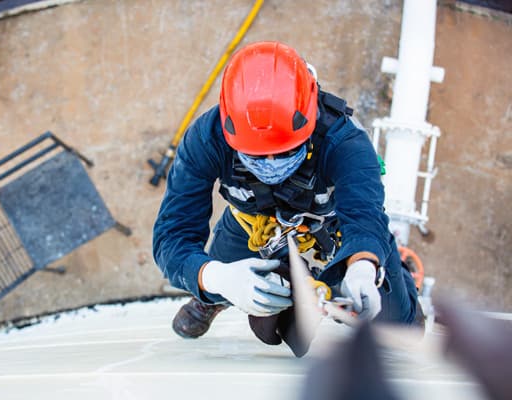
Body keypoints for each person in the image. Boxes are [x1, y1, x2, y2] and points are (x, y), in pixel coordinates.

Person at [153, 41, 418, 352]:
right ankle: (212, 297)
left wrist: (363, 263)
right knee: (211, 276)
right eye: (255, 155)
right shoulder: (206, 139)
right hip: (251, 223)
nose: (269, 167)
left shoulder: (346, 142)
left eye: (283, 153)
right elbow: (172, 235)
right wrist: (214, 277)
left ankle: (390, 264)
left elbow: (364, 214)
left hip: (330, 224)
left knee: (401, 328)